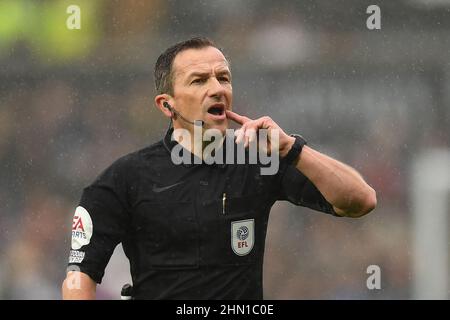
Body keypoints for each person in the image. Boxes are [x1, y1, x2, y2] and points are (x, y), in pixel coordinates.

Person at [62, 37, 376, 300]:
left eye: (223, 78)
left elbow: (360, 201)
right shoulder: (124, 179)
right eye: (199, 80)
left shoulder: (259, 159)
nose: (217, 88)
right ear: (166, 105)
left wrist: (291, 149)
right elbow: (79, 277)